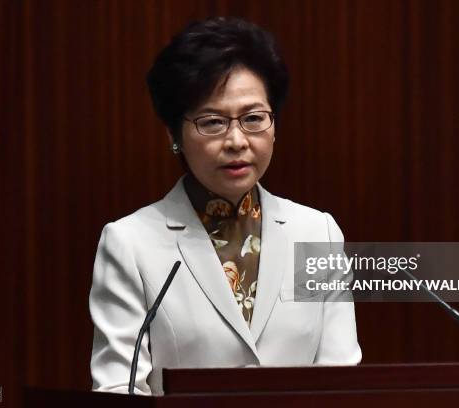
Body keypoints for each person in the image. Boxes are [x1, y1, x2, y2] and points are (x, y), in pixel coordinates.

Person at [89, 16, 361, 396]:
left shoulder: (317, 233)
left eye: (253, 119)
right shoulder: (129, 244)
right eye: (212, 122)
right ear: (174, 134)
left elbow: (340, 382)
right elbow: (119, 389)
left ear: (274, 125)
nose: (236, 140)